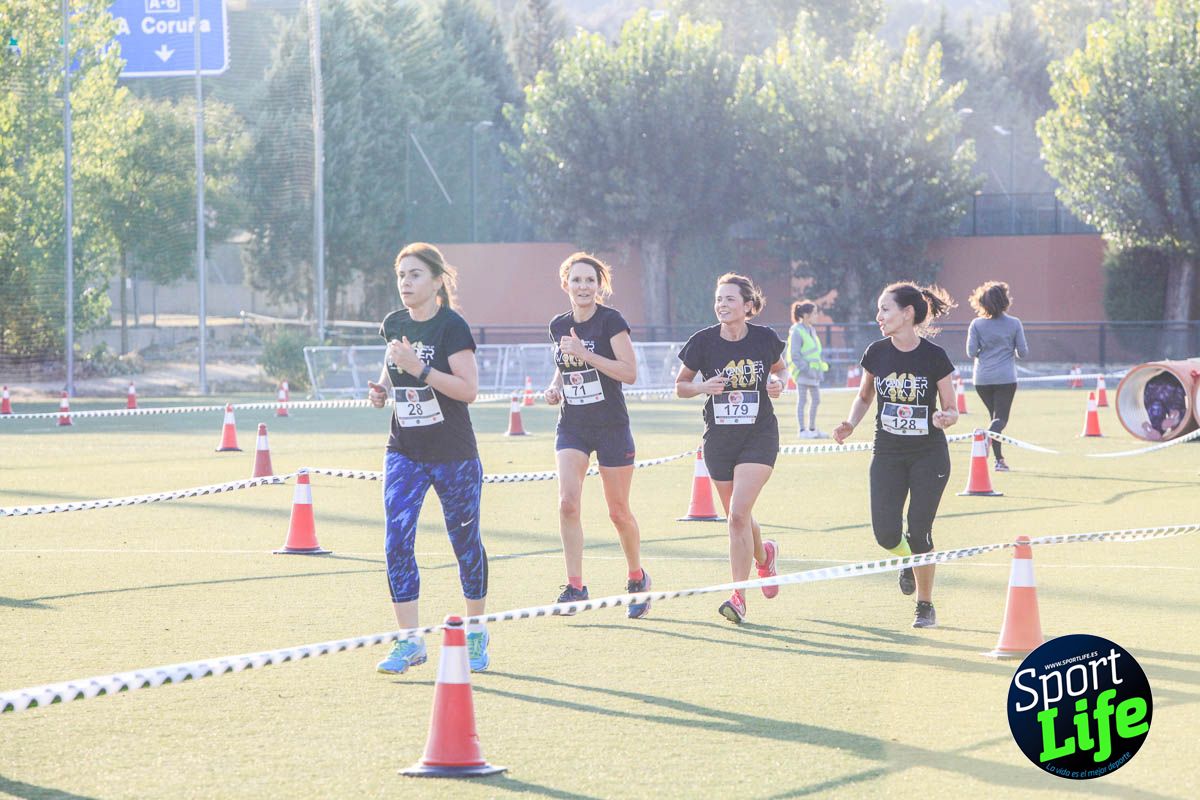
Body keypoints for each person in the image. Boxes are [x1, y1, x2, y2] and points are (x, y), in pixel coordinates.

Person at [366, 243, 491, 675]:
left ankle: (476, 633)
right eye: (401, 275)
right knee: (396, 541)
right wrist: (382, 388)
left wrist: (420, 370)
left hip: (453, 454)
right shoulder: (393, 323)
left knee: (465, 544)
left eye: (415, 274)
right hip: (404, 450)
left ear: (438, 281)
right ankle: (409, 642)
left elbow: (467, 390)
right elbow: (393, 366)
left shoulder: (451, 327)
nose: (406, 282)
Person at [832, 282, 959, 629]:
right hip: (887, 453)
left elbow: (951, 407)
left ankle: (925, 604)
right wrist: (850, 423)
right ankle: (907, 562)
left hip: (928, 455)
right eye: (879, 310)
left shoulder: (934, 357)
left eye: (885, 309)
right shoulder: (876, 352)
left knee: (920, 532)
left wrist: (946, 417)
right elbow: (863, 396)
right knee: (887, 535)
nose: (879, 317)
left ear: (907, 313)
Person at [542, 253, 651, 618]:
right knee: (567, 503)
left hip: (611, 427)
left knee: (618, 512)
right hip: (572, 425)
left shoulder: (611, 321)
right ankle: (575, 587)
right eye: (577, 280)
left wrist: (587, 354)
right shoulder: (558, 325)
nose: (583, 287)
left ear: (599, 285)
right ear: (565, 285)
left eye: (590, 280)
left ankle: (637, 579)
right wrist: (554, 387)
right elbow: (564, 365)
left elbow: (629, 373)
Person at [676, 273, 788, 624]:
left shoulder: (764, 339)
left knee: (738, 514)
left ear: (748, 306)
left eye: (730, 299)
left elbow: (782, 371)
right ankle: (764, 555)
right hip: (719, 440)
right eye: (718, 299)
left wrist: (777, 383)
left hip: (759, 436)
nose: (722, 305)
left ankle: (738, 596)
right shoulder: (703, 342)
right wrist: (703, 387)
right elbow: (680, 386)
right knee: (738, 516)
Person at [966, 281, 1028, 471]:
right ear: (1005, 301)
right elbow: (1023, 352)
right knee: (1000, 419)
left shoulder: (976, 324)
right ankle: (987, 440)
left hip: (982, 379)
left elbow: (970, 352)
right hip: (1005, 378)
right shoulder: (1014, 323)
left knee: (995, 418)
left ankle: (999, 460)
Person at [787, 300, 830, 438]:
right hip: (803, 373)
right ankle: (802, 431)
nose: (817, 316)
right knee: (802, 401)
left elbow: (815, 352)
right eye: (815, 313)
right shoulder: (797, 331)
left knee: (816, 400)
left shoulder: (811, 329)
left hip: (813, 374)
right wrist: (806, 369)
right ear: (806, 315)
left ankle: (812, 429)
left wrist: (818, 371)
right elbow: (795, 355)